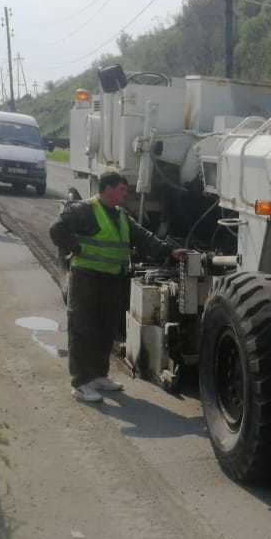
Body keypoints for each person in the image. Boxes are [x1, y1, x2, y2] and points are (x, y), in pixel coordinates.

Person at [49, 172, 182, 403]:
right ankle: (80, 383)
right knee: (82, 331)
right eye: (122, 189)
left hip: (111, 281)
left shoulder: (121, 215)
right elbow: (56, 229)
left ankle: (99, 376)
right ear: (108, 188)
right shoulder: (84, 209)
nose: (125, 194)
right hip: (87, 279)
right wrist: (76, 248)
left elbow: (143, 237)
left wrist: (169, 251)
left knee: (105, 329)